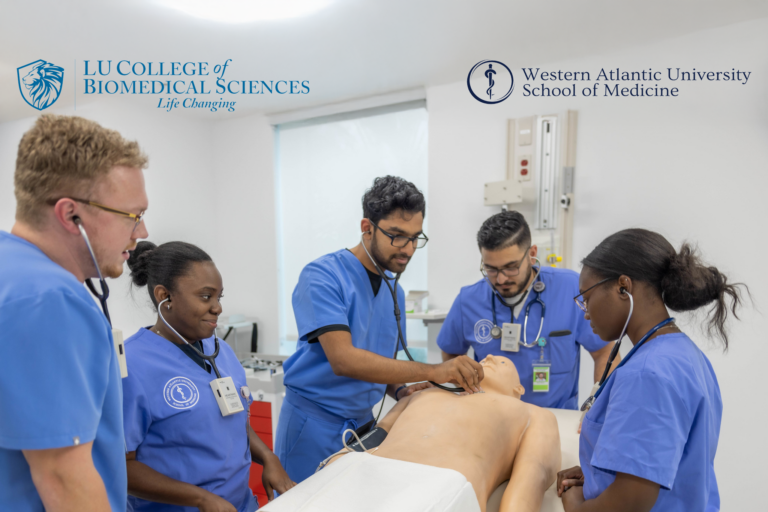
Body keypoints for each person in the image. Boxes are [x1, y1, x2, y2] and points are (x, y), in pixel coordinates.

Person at [275, 176, 486, 483]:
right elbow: (344, 360)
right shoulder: (323, 276)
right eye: (397, 236)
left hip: (365, 424)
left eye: (415, 238)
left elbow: (378, 361)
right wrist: (435, 371)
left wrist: (400, 389)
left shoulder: (395, 294)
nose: (408, 249)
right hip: (314, 426)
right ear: (367, 228)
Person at [0, 114, 149, 511]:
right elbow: (63, 477)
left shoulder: (10, 273)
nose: (143, 232)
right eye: (132, 215)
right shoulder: (49, 299)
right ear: (70, 215)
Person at [557, 228, 745, 512]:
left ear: (623, 287)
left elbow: (630, 502)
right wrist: (599, 474)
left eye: (587, 297)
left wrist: (574, 504)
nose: (585, 312)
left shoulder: (646, 373)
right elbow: (672, 460)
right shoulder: (684, 354)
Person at [123, 241, 295, 511]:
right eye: (206, 296)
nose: (217, 308)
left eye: (219, 297)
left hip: (239, 503)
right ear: (163, 296)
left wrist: (267, 457)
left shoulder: (219, 350)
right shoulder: (131, 365)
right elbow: (122, 466)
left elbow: (232, 420)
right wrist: (201, 499)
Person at [265, 355, 561, 512]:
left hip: (439, 483)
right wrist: (332, 469)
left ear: (518, 390)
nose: (486, 359)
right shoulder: (424, 394)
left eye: (501, 362)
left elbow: (529, 482)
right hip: (361, 473)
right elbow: (373, 438)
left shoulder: (530, 413)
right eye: (483, 358)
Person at [439, 211, 617, 409]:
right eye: (491, 269)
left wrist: (600, 408)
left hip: (556, 418)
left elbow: (604, 352)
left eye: (510, 267)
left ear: (532, 254)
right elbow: (450, 354)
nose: (501, 279)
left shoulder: (570, 288)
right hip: (490, 418)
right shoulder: (468, 300)